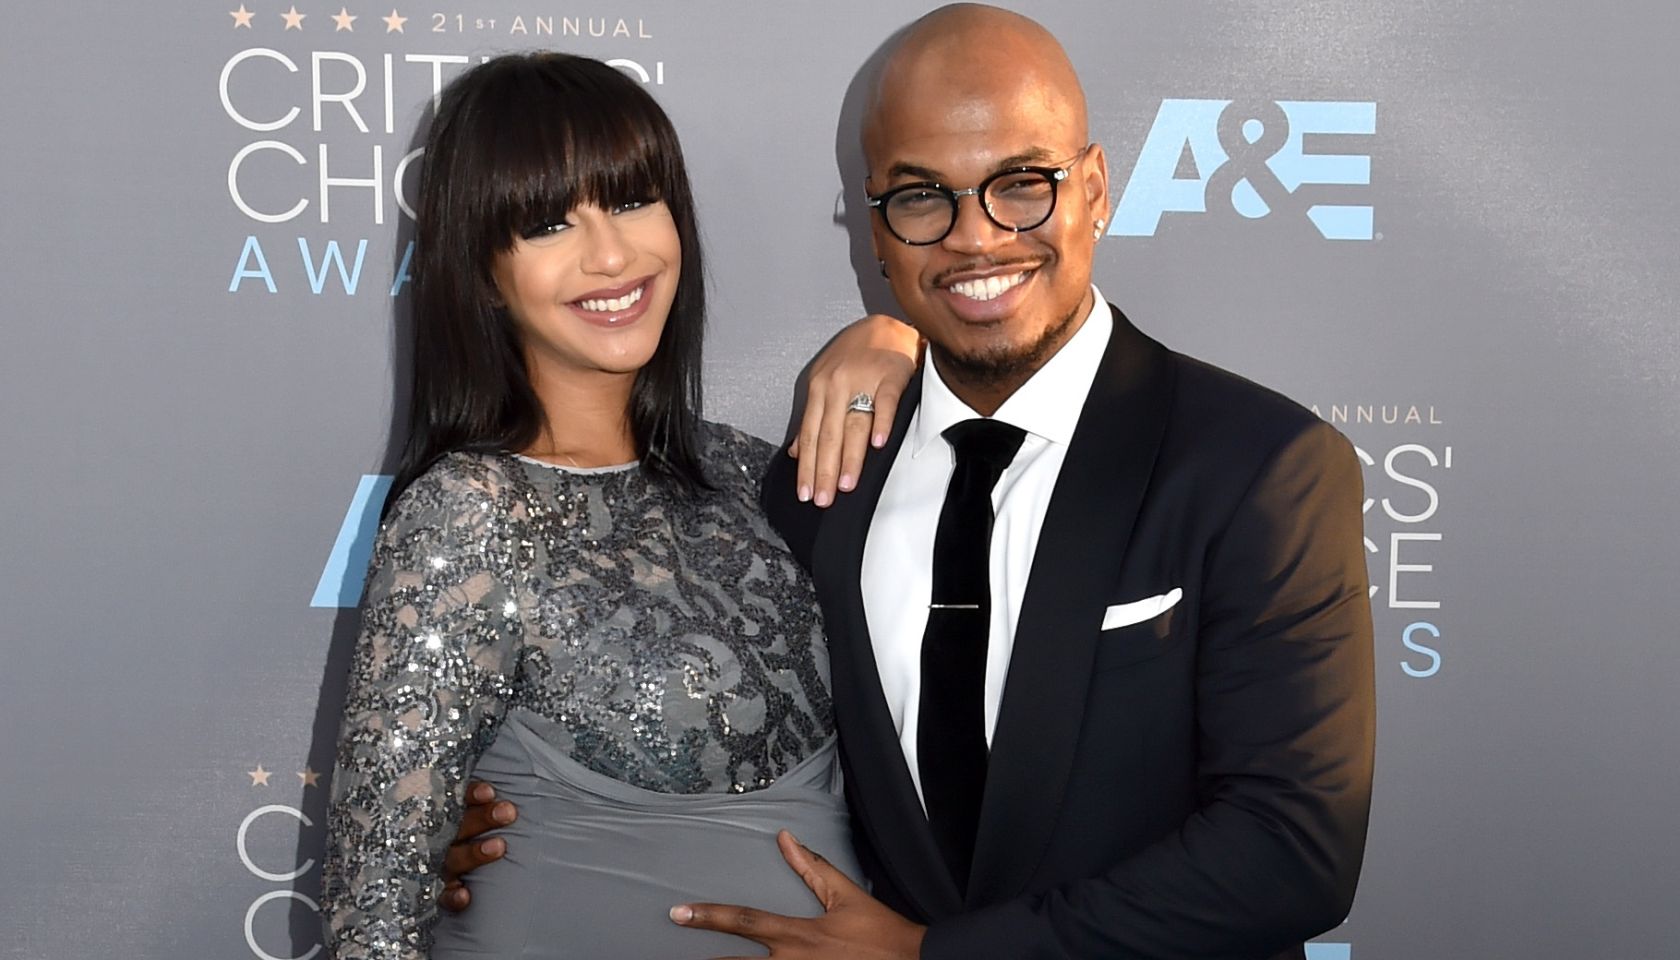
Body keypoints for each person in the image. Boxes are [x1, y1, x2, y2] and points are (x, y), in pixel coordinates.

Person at [450, 6, 1376, 959]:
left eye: (1022, 185)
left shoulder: (1259, 466)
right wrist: (504, 830)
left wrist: (934, 959)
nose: (977, 239)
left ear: (1096, 189)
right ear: (876, 224)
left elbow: (1292, 851)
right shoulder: (819, 481)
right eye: (924, 196)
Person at [318, 52, 915, 960]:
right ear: (481, 269)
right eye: (549, 222)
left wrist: (899, 336)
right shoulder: (468, 514)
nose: (611, 254)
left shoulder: (754, 475)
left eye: (634, 200)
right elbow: (374, 916)